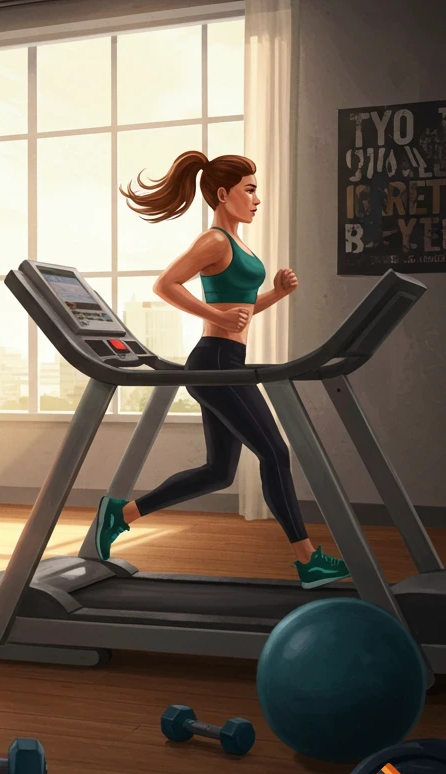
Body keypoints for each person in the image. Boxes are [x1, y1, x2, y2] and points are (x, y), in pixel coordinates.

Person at [93, 150, 350, 589]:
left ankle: (121, 513)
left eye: (256, 190)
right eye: (249, 190)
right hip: (214, 360)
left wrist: (275, 294)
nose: (256, 199)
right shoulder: (213, 241)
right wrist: (216, 313)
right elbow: (166, 284)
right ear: (222, 194)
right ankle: (307, 560)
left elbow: (241, 312)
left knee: (219, 472)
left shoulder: (238, 243)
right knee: (274, 452)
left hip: (227, 360)